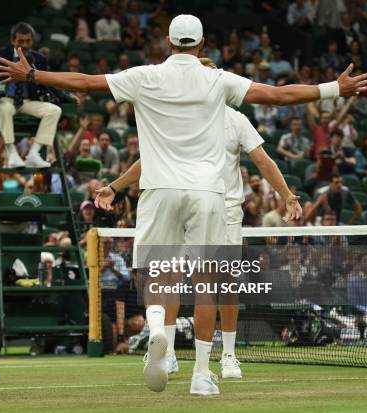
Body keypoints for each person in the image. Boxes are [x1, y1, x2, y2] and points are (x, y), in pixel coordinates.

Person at [0, 13, 367, 396]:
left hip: (158, 191)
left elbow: (86, 83)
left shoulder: (144, 76)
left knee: (158, 276)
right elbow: (277, 93)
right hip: (207, 193)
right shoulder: (218, 80)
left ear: (169, 44)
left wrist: (33, 76)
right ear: (202, 44)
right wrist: (332, 88)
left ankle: (159, 332)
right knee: (207, 283)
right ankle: (202, 375)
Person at [94, 59, 301, 380]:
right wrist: (115, 186)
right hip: (184, 205)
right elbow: (147, 160)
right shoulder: (177, 120)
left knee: (223, 285)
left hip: (225, 210)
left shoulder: (236, 120)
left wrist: (286, 194)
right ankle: (170, 354)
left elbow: (262, 159)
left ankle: (229, 355)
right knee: (171, 277)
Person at [0, 22, 64, 169]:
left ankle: (34, 154)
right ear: (13, 41)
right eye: (20, 41)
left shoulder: (39, 59)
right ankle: (12, 154)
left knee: (54, 110)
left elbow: (48, 82)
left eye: (28, 41)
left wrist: (66, 96)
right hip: (6, 99)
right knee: (4, 109)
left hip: (28, 101)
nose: (24, 45)